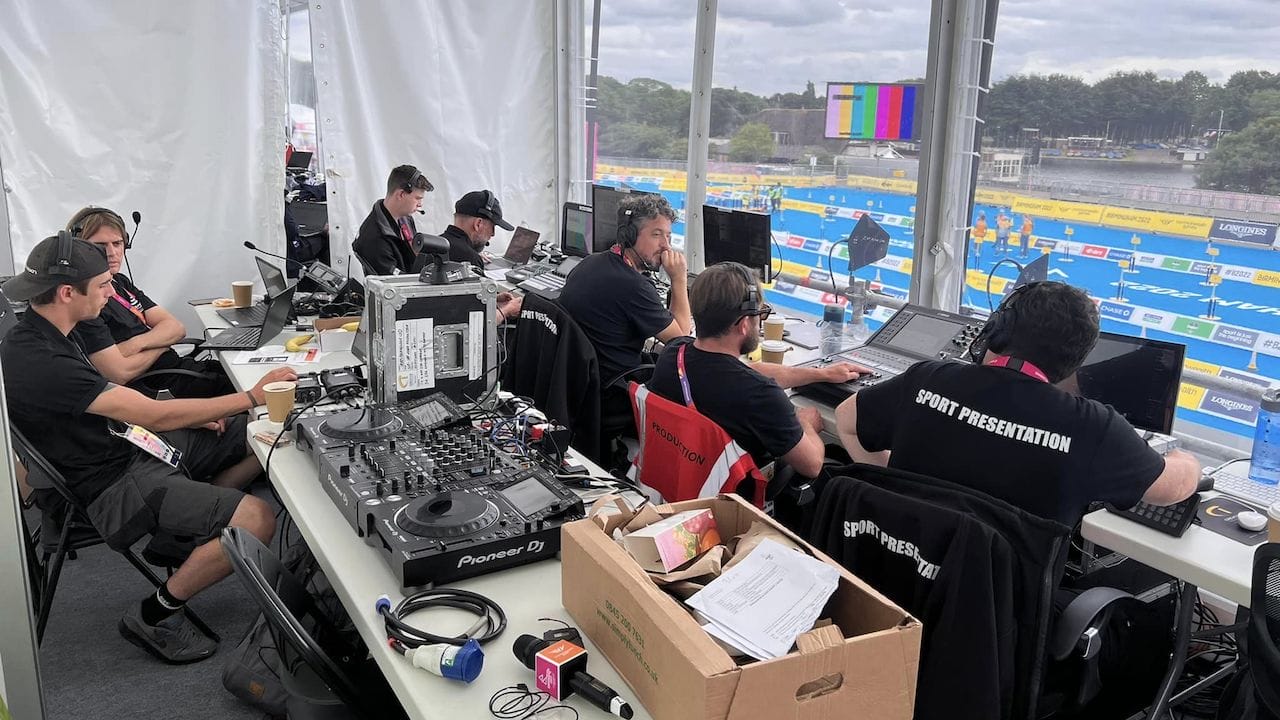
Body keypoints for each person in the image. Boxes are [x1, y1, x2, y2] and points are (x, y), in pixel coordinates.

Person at [1, 235, 297, 664]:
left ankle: (187, 532)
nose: (110, 292)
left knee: (257, 433)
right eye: (102, 285)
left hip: (123, 445)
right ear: (68, 292)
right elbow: (150, 416)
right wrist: (252, 396)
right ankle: (153, 614)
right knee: (257, 517)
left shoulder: (42, 332)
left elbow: (121, 409)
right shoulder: (41, 360)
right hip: (110, 484)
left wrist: (195, 412)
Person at [833, 281, 1200, 528]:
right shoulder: (1093, 428)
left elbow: (846, 420)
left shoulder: (928, 379)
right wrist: (1186, 460)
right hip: (994, 619)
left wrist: (893, 495)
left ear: (998, 329)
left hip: (898, 576)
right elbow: (1173, 489)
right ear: (1078, 361)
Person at [647, 262, 865, 478]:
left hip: (674, 479)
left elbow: (748, 371)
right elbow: (812, 465)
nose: (760, 323)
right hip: (733, 502)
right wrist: (805, 424)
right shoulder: (760, 395)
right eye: (760, 314)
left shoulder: (674, 353)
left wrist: (820, 374)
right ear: (743, 324)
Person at [65, 206, 235, 398]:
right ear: (78, 249)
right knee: (252, 386)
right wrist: (161, 342)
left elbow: (176, 328)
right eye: (101, 245)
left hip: (179, 370)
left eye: (118, 243)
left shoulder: (120, 282)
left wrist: (135, 345)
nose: (112, 252)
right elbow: (118, 373)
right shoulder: (85, 303)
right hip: (160, 389)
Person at [558, 193, 692, 384]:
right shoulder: (634, 287)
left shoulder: (590, 262)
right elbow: (682, 341)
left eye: (668, 236)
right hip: (614, 391)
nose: (666, 246)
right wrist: (679, 279)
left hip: (581, 381)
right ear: (628, 236)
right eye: (656, 234)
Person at [353, 165, 434, 275]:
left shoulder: (405, 219)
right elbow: (394, 281)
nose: (420, 204)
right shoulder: (375, 238)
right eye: (417, 198)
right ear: (401, 194)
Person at [442, 190, 515, 272]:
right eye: (492, 227)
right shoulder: (470, 259)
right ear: (478, 224)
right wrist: (474, 258)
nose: (493, 234)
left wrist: (474, 254)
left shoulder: (438, 244)